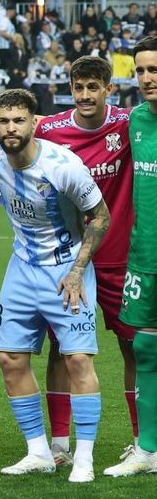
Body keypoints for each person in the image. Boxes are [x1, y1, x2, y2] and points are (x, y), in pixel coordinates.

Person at [0, 88, 109, 483]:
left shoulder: (63, 165)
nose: (10, 128)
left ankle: (83, 458)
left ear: (34, 123)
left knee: (77, 360)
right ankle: (38, 451)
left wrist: (77, 271)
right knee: (10, 358)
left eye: (18, 120)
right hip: (22, 268)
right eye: (3, 121)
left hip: (66, 270)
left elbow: (100, 217)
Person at [36, 56, 138, 462]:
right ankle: (59, 445)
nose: (84, 95)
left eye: (93, 87)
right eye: (78, 87)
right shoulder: (50, 129)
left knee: (134, 349)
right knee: (62, 350)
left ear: (108, 89)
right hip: (66, 259)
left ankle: (142, 440)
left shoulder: (130, 124)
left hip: (118, 258)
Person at [108, 35, 157, 476]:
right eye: (140, 70)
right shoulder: (136, 120)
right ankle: (148, 450)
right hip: (144, 255)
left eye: (154, 70)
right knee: (144, 346)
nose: (146, 78)